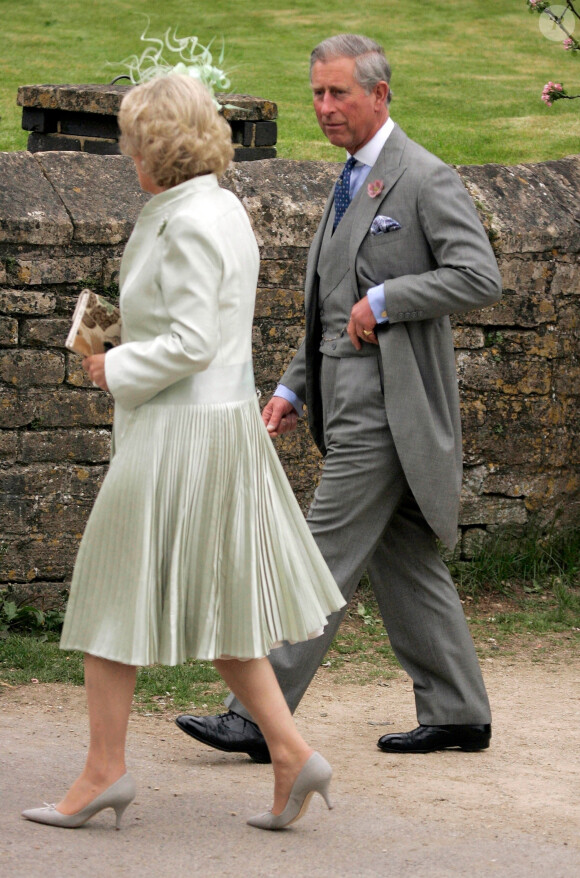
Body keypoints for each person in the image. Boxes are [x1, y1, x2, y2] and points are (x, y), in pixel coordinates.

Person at [21, 74, 345, 832]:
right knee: (218, 602)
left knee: (109, 593)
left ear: (157, 149)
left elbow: (196, 341)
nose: (126, 152)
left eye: (133, 140)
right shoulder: (212, 207)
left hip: (184, 434)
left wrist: (115, 367)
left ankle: (104, 771)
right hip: (208, 428)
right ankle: (293, 752)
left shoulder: (193, 219)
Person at [176, 34, 502, 762]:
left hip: (391, 412)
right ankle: (458, 712)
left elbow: (480, 276)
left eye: (338, 93)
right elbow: (329, 305)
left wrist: (388, 299)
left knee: (314, 555)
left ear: (379, 95)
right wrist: (294, 384)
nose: (324, 107)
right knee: (403, 557)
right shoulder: (352, 177)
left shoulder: (422, 177)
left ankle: (255, 716)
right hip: (344, 402)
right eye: (317, 93)